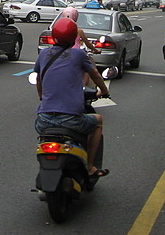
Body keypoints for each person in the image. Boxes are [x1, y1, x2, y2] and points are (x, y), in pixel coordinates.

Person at [34, 17, 110, 179]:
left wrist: (42, 97)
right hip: (71, 119)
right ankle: (89, 167)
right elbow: (94, 74)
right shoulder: (78, 54)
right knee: (98, 121)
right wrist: (104, 91)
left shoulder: (44, 54)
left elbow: (39, 79)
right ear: (73, 36)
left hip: (43, 120)